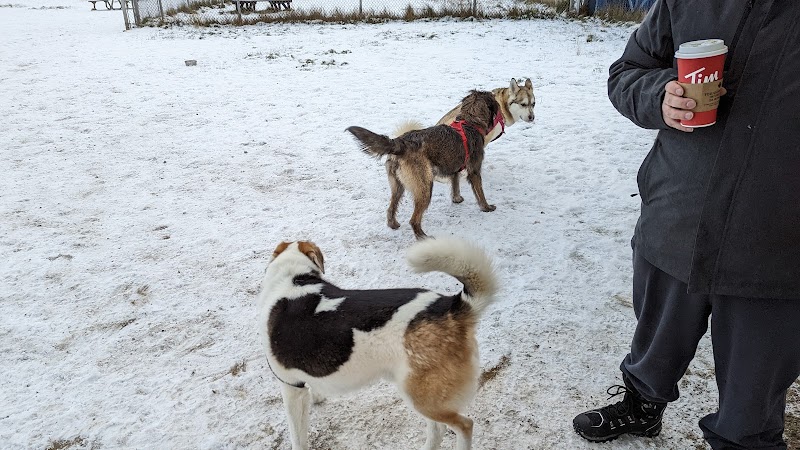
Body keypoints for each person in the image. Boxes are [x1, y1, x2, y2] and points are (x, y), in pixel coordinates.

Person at [572, 0, 800, 448]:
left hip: (778, 247)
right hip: (678, 216)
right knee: (655, 339)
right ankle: (642, 407)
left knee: (751, 399)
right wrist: (660, 96)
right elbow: (627, 71)